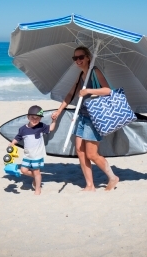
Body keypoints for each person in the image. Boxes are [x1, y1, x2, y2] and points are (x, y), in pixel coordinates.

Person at [51, 46, 119, 191]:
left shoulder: (95, 71)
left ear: (88, 57)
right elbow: (70, 95)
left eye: (81, 57)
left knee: (92, 154)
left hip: (94, 118)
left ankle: (113, 177)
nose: (78, 60)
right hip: (81, 116)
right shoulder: (81, 75)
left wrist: (88, 90)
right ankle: (90, 185)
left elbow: (107, 90)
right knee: (80, 152)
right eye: (75, 58)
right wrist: (59, 110)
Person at [9, 105, 56, 195]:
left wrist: (54, 120)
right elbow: (18, 137)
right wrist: (12, 143)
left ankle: (37, 188)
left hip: (37, 155)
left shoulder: (41, 126)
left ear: (40, 119)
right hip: (27, 155)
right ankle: (36, 177)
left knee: (36, 171)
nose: (35, 120)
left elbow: (51, 128)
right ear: (28, 117)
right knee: (23, 170)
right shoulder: (23, 129)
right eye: (32, 118)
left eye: (37, 118)